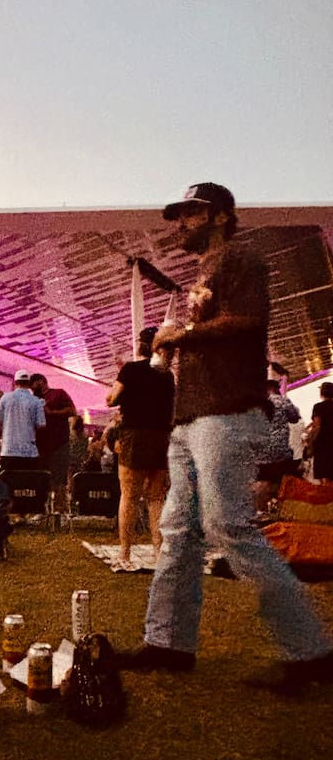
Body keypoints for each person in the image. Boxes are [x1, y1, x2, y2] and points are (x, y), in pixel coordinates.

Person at [117, 182, 333, 689]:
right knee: (178, 532)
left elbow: (249, 321)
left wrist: (181, 336)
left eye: (188, 215)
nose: (179, 225)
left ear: (217, 215)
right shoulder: (204, 271)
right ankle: (167, 643)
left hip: (228, 414)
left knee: (229, 527)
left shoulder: (242, 259)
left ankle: (311, 651)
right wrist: (177, 352)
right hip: (190, 418)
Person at [106, 327, 175, 570]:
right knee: (156, 498)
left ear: (141, 346)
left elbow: (112, 399)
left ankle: (125, 553)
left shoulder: (131, 370)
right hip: (161, 438)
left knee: (129, 496)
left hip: (134, 435)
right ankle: (159, 552)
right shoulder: (168, 376)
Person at [29, 373, 76, 508]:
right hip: (40, 445)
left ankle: (60, 509)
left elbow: (72, 411)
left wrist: (52, 412)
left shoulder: (58, 393)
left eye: (34, 386)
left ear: (41, 382)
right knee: (41, 478)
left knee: (59, 478)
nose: (32, 389)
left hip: (59, 443)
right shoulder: (33, 399)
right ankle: (41, 507)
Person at [253, 379, 301, 511]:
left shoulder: (256, 405)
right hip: (281, 454)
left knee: (262, 484)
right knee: (286, 483)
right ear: (275, 388)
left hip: (261, 455)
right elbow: (295, 418)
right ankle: (288, 510)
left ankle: (263, 513)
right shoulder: (282, 401)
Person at [0, 370, 47, 471]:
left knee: (8, 483)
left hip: (8, 449)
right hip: (29, 452)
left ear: (15, 383)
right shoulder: (36, 401)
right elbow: (41, 425)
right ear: (28, 384)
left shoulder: (5, 398)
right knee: (27, 482)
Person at [309, 381, 333, 484]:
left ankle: (328, 498)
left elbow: (317, 426)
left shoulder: (318, 407)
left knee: (325, 475)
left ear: (322, 393)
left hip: (322, 445)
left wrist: (309, 441)